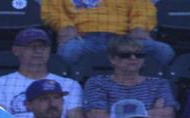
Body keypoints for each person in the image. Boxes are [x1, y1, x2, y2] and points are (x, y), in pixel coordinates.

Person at [0, 29, 84, 118]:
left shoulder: (69, 85)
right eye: (31, 46)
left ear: (49, 50)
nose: (38, 51)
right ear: (16, 50)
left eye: (42, 46)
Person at [81, 35, 178, 118]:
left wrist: (115, 117)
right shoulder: (97, 82)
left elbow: (167, 116)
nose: (133, 58)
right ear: (112, 59)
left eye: (139, 54)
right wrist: (151, 113)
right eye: (125, 55)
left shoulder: (159, 83)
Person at [42, 0, 176, 71]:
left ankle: (141, 84)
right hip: (84, 39)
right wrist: (65, 26)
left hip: (124, 40)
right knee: (69, 52)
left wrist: (139, 27)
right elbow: (50, 10)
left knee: (164, 52)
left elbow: (145, 9)